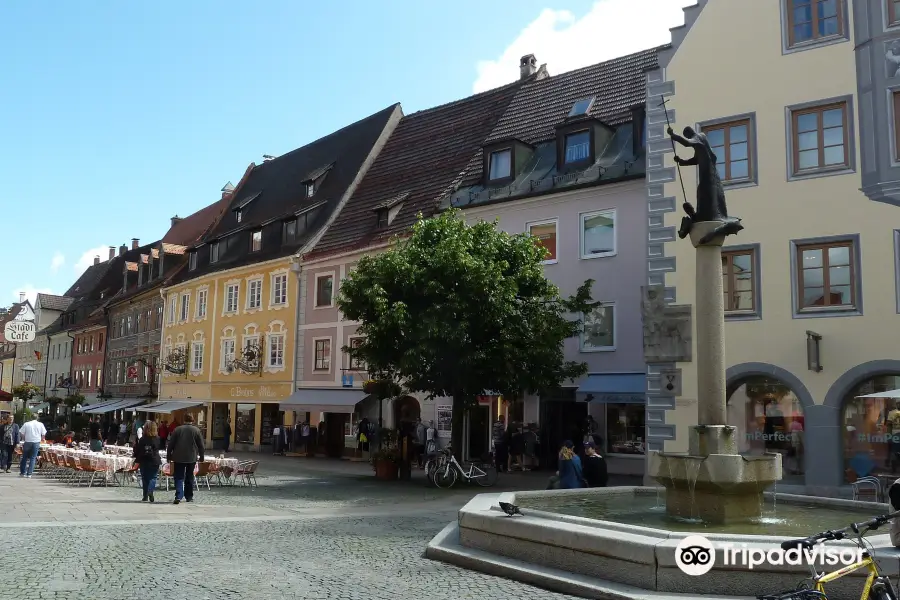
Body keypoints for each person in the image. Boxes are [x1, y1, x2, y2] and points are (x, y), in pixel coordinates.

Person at [166, 413, 205, 504]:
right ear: (193, 420)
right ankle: (189, 496)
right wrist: (202, 456)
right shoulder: (196, 430)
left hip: (178, 456)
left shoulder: (177, 429)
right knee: (189, 476)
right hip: (191, 457)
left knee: (179, 476)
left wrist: (169, 456)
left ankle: (179, 495)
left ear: (184, 419)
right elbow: (201, 446)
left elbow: (170, 444)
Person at [133, 420, 162, 502]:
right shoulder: (158, 439)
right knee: (153, 477)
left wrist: (136, 461)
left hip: (144, 460)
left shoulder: (142, 439)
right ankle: (150, 491)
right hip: (154, 460)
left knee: (144, 478)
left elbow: (139, 451)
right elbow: (158, 448)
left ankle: (145, 495)